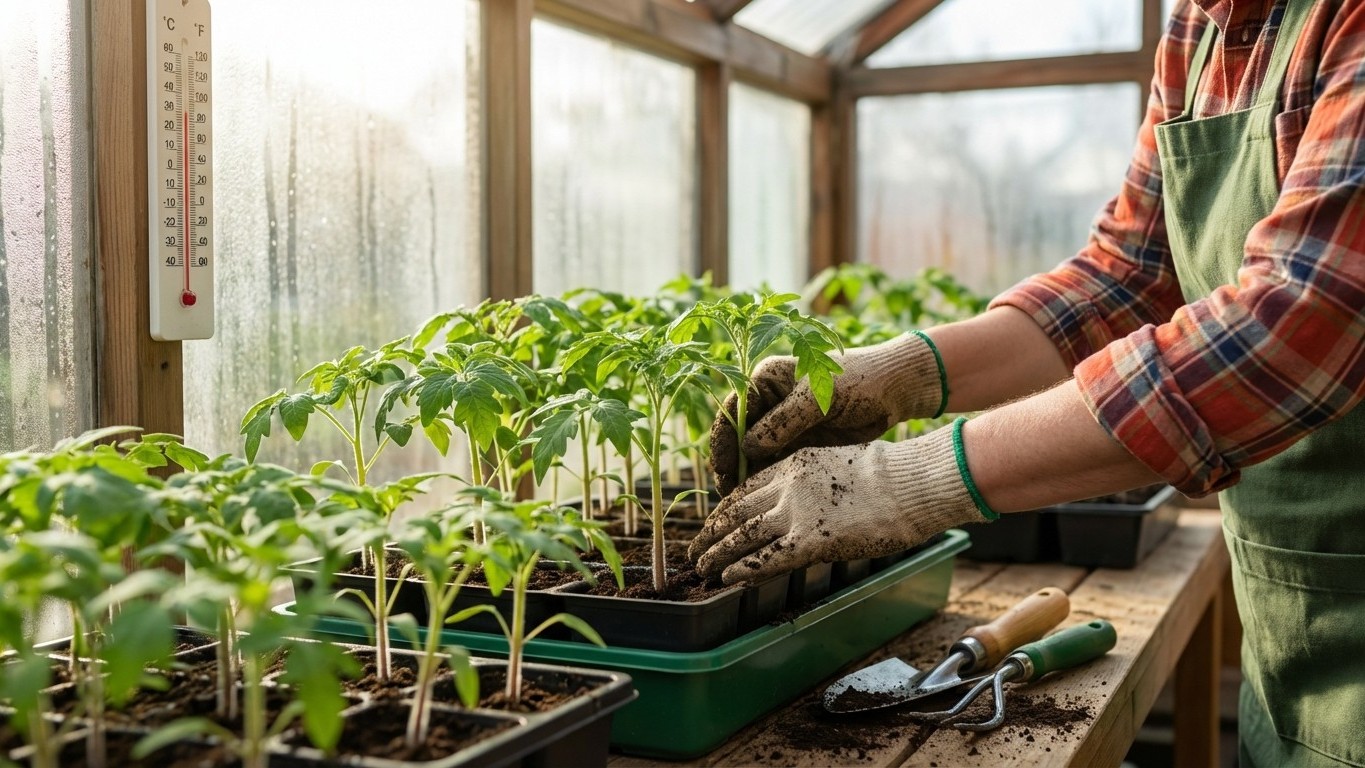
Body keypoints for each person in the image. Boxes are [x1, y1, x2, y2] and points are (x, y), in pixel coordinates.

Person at [687, 1, 1365, 765]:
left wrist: (902, 480)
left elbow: (1297, 329)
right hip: (1287, 629)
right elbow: (1129, 277)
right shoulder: (1197, 29)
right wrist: (892, 373)